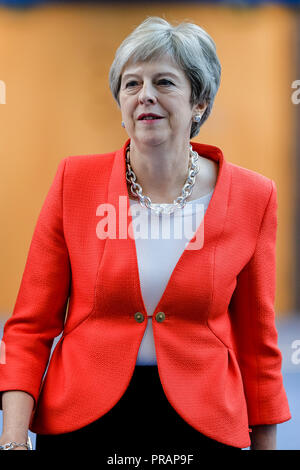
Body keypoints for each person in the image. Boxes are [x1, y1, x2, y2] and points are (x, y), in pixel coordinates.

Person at [0, 16, 291, 453]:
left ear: (200, 101)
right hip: (83, 419)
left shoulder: (253, 196)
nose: (145, 95)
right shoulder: (73, 182)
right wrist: (13, 438)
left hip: (204, 422)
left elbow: (258, 342)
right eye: (131, 84)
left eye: (164, 82)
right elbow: (29, 328)